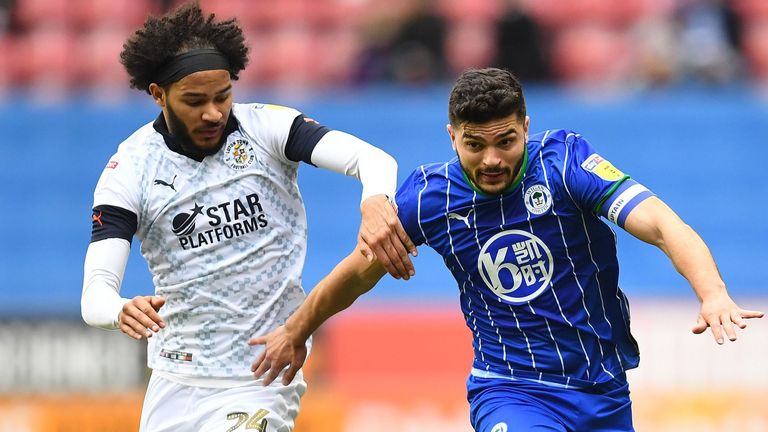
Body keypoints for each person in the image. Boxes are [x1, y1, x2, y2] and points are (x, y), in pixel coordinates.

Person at [250, 68, 764, 431]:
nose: (492, 159)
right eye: (475, 145)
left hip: (602, 387)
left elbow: (658, 222)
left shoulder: (566, 164)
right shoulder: (429, 197)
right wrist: (296, 331)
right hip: (510, 387)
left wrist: (713, 292)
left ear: (525, 127)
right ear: (452, 137)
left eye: (506, 141)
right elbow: (357, 273)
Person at [79, 3, 416, 431]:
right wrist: (120, 308)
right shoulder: (129, 170)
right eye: (194, 101)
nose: (214, 113)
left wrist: (374, 202)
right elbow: (95, 297)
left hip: (261, 372)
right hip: (175, 378)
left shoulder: (268, 129)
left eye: (223, 96)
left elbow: (373, 160)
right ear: (158, 95)